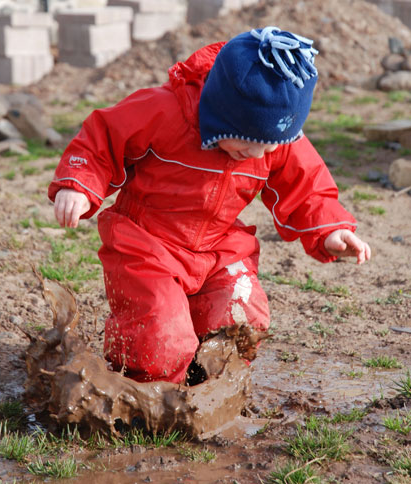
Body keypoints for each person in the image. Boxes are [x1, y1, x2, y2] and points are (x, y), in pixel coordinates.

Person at [48, 26, 371, 384]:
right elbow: (102, 140)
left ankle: (207, 384)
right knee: (159, 340)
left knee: (242, 317)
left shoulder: (273, 140)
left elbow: (306, 185)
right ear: (220, 111)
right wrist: (78, 186)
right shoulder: (164, 111)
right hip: (147, 242)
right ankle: (147, 390)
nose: (259, 154)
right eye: (249, 143)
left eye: (270, 146)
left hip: (218, 245)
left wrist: (331, 229)